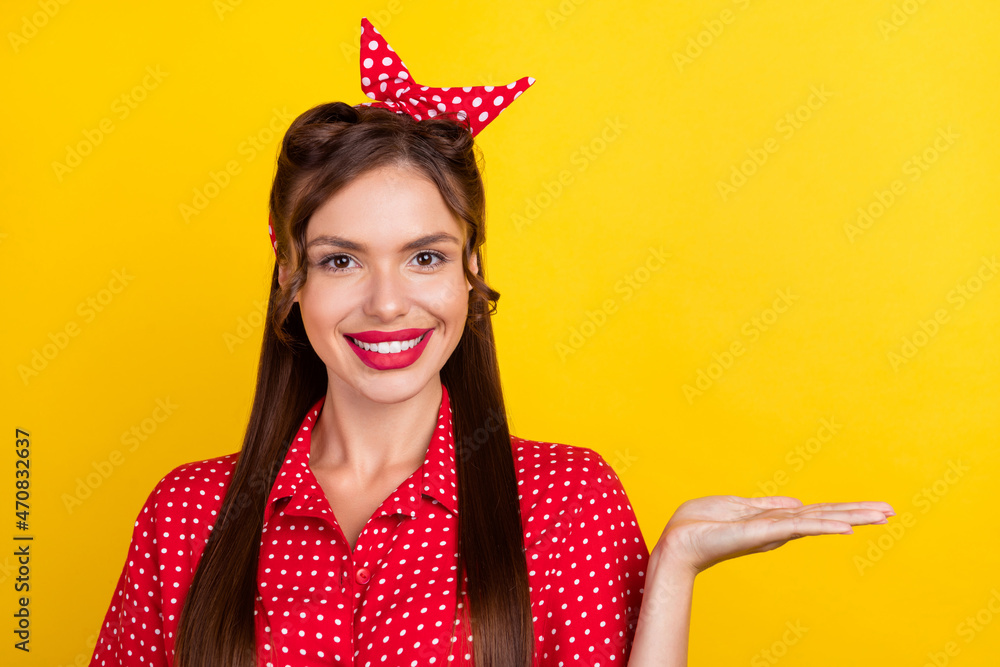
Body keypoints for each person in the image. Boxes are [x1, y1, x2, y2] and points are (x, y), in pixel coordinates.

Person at [88, 18, 893, 667]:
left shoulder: (569, 504)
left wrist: (674, 565)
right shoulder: (186, 514)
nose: (388, 302)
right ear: (290, 274)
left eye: (425, 256)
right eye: (341, 260)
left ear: (471, 271)